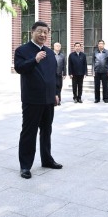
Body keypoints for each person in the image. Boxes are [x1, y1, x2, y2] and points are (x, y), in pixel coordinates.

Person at [13, 21, 62, 180]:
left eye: (45, 32)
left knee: (46, 131)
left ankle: (47, 159)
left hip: (48, 99)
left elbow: (54, 75)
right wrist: (35, 60)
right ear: (32, 32)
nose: (43, 35)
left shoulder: (50, 53)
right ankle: (25, 166)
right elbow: (19, 68)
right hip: (32, 99)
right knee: (29, 132)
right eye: (40, 31)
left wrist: (56, 93)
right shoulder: (22, 50)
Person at [53, 42, 66, 106]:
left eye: (59, 46)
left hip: (59, 74)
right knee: (53, 87)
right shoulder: (51, 55)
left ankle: (59, 100)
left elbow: (64, 65)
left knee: (59, 87)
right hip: (52, 74)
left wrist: (64, 74)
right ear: (54, 47)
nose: (58, 47)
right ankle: (54, 101)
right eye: (57, 46)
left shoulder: (62, 55)